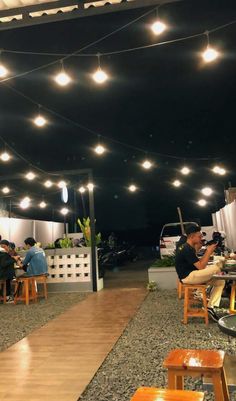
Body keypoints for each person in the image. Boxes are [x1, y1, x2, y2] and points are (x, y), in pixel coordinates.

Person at [175, 225, 225, 322]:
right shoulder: (186, 249)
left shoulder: (189, 247)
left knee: (220, 281)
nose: (201, 238)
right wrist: (208, 251)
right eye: (199, 236)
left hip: (191, 274)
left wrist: (206, 252)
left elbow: (200, 264)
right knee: (216, 267)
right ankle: (204, 292)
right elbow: (201, 267)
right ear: (192, 236)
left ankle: (211, 306)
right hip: (188, 277)